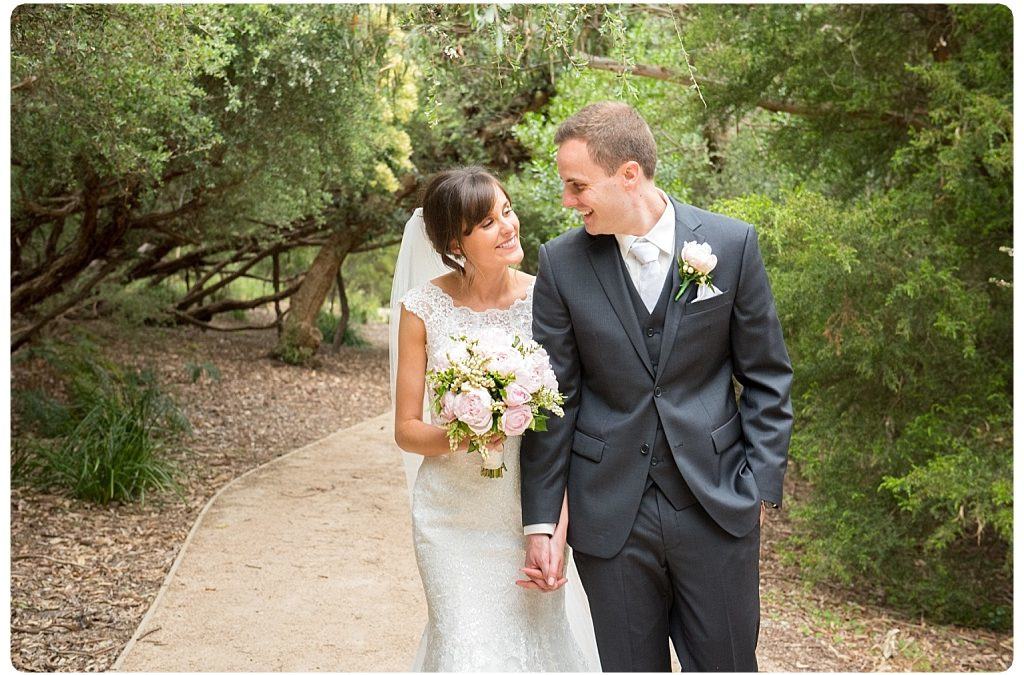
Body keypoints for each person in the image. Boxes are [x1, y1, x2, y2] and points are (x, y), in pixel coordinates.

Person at [520, 101, 794, 672]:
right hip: (610, 514)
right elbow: (553, 399)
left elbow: (766, 376)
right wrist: (542, 520)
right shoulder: (562, 264)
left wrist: (760, 485)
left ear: (628, 174)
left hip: (716, 505)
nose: (568, 202)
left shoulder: (731, 244)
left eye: (577, 185)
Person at [389, 167, 600, 671]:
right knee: (464, 651)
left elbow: (569, 421)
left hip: (526, 509)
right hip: (450, 518)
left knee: (536, 649)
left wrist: (555, 526)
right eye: (487, 222)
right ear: (454, 243)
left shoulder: (546, 299)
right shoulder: (421, 310)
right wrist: (467, 431)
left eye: (507, 211)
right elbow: (406, 429)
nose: (508, 226)